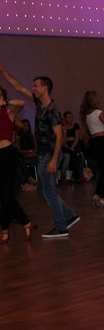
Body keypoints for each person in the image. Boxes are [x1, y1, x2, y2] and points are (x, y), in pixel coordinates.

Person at [0, 66, 79, 238]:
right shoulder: (38, 103)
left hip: (49, 155)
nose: (33, 88)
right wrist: (4, 72)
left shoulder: (52, 110)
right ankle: (70, 215)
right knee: (44, 190)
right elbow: (18, 88)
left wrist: (54, 160)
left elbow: (59, 136)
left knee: (48, 192)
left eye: (36, 86)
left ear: (45, 88)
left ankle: (61, 227)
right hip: (43, 154)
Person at [0, 85, 35, 243]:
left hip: (7, 154)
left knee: (5, 195)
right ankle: (26, 222)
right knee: (4, 195)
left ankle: (5, 230)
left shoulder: (9, 111)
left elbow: (22, 103)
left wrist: (5, 102)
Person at [80, 90, 104, 209]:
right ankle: (103, 198)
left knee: (103, 170)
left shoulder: (86, 116)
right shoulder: (98, 112)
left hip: (94, 142)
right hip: (101, 141)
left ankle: (97, 195)